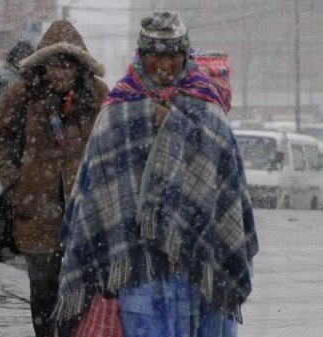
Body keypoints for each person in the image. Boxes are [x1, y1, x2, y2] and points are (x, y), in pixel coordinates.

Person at [53, 12, 259, 337]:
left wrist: (173, 125)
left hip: (198, 260)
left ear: (185, 56)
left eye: (173, 55)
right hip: (139, 261)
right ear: (142, 55)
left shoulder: (206, 103)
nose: (163, 64)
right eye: (154, 55)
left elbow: (223, 177)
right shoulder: (119, 106)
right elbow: (98, 185)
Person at [0, 20, 108, 337]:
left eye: (67, 65)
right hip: (35, 210)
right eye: (54, 65)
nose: (60, 73)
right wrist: (14, 179)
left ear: (79, 66)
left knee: (80, 288)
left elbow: (110, 143)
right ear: (43, 63)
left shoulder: (97, 95)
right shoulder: (23, 94)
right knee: (42, 288)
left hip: (83, 211)